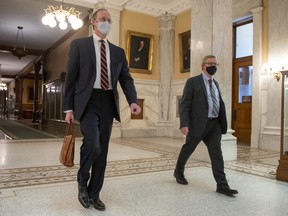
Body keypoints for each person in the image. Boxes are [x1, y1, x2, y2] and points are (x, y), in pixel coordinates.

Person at [64, 8, 141, 211]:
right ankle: (82, 181)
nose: (106, 22)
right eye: (102, 19)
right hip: (87, 101)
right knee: (93, 144)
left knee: (103, 151)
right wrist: (68, 108)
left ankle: (94, 193)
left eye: (109, 19)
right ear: (93, 22)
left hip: (108, 101)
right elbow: (70, 79)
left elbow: (126, 79)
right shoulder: (79, 45)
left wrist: (133, 100)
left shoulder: (118, 52)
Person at [173, 55, 238, 197]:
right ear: (203, 66)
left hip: (214, 124)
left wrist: (222, 123)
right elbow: (184, 104)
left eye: (215, 63)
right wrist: (184, 123)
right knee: (188, 149)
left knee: (217, 154)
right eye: (210, 63)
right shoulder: (193, 82)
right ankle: (178, 172)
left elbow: (218, 103)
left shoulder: (216, 84)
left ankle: (222, 185)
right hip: (197, 124)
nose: (213, 66)